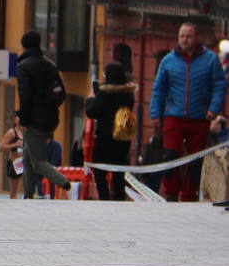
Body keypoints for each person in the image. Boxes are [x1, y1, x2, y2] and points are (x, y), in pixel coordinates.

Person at [149, 22, 226, 201]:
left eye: (188, 36)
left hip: (200, 116)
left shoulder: (210, 60)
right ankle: (171, 192)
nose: (184, 39)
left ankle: (190, 194)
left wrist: (214, 109)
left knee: (195, 158)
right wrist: (155, 114)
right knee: (170, 154)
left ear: (196, 37)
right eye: (181, 36)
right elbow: (158, 88)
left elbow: (219, 85)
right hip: (173, 115)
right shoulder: (168, 60)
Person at [15, 29, 72, 199]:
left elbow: (24, 95)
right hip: (50, 117)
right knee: (27, 154)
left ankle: (63, 182)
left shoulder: (24, 67)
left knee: (38, 161)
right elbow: (61, 92)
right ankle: (28, 193)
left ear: (24, 46)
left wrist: (23, 118)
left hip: (34, 120)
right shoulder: (50, 64)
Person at [84, 61, 136, 201]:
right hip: (123, 138)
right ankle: (119, 197)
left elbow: (92, 111)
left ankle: (104, 197)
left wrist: (90, 98)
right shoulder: (128, 94)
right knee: (119, 169)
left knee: (100, 169)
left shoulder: (104, 94)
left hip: (105, 138)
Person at [0, 111, 23, 199]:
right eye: (18, 117)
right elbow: (1, 147)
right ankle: (12, 206)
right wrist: (15, 144)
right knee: (14, 189)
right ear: (15, 120)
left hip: (22, 162)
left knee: (20, 189)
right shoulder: (12, 132)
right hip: (14, 162)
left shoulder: (26, 132)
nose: (20, 120)